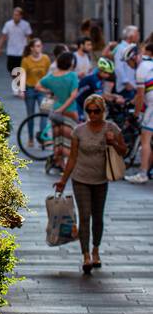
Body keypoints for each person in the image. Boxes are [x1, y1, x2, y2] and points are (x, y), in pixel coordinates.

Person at [55, 94, 127, 273]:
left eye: (97, 111)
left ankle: (96, 250)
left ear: (103, 111)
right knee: (85, 216)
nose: (93, 114)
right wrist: (63, 180)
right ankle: (86, 255)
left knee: (98, 217)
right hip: (80, 179)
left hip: (101, 179)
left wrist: (113, 142)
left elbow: (123, 151)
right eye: (89, 111)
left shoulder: (112, 128)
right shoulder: (78, 131)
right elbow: (72, 158)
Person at [39, 51, 80, 171]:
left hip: (55, 110)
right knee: (69, 138)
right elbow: (73, 95)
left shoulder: (51, 77)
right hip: (70, 111)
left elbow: (38, 85)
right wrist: (63, 109)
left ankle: (59, 161)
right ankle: (66, 164)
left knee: (58, 138)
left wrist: (49, 93)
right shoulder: (72, 76)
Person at [127, 34, 153, 184]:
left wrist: (136, 115)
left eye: (128, 62)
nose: (129, 66)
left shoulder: (141, 69)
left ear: (133, 58)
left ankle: (143, 173)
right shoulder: (150, 63)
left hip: (152, 106)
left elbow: (141, 96)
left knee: (145, 138)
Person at [20, 37, 51, 138]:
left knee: (45, 114)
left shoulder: (46, 58)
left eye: (41, 45)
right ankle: (30, 138)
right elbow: (22, 75)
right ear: (32, 48)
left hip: (44, 90)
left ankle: (43, 137)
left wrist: (51, 90)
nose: (40, 48)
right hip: (30, 90)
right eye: (37, 46)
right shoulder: (26, 60)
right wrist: (22, 90)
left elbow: (50, 75)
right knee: (30, 115)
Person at [0, 7, 33, 75]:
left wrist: (29, 50)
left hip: (22, 52)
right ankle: (17, 83)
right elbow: (3, 37)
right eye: (14, 15)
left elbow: (28, 38)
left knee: (21, 71)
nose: (15, 17)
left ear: (21, 16)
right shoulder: (8, 24)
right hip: (11, 51)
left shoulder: (25, 25)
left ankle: (19, 84)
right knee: (12, 71)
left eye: (17, 15)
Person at [114, 25, 140, 95]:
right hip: (126, 87)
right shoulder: (121, 48)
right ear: (130, 36)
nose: (138, 37)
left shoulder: (132, 47)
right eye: (137, 35)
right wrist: (125, 82)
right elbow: (118, 67)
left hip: (134, 85)